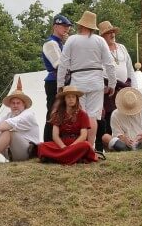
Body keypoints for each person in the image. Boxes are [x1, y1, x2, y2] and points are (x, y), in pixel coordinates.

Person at [56, 10, 115, 147]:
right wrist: (112, 83)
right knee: (93, 116)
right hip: (96, 81)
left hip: (78, 82)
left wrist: (60, 84)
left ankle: (80, 147)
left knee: (80, 114)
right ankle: (90, 146)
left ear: (81, 25)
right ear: (93, 26)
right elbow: (109, 64)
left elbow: (63, 64)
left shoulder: (71, 40)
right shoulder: (100, 40)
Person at [97, 19, 137, 150]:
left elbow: (130, 69)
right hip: (109, 90)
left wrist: (134, 89)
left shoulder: (122, 48)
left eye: (113, 31)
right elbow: (97, 71)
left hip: (125, 88)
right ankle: (112, 145)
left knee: (125, 114)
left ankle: (127, 141)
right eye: (108, 33)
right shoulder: (99, 50)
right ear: (102, 36)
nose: (112, 34)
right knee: (109, 117)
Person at [37, 86, 98, 165]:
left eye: (73, 97)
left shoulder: (83, 114)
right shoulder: (58, 114)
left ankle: (58, 157)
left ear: (76, 99)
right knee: (42, 146)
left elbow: (83, 135)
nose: (71, 99)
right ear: (64, 99)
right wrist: (63, 146)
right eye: (68, 97)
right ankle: (72, 157)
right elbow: (55, 136)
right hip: (62, 143)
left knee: (86, 145)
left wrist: (72, 146)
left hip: (77, 144)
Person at [41, 13, 72, 141]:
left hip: (64, 81)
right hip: (54, 81)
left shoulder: (61, 43)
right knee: (53, 113)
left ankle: (59, 141)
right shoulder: (51, 43)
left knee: (63, 113)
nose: (66, 29)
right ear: (55, 26)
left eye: (68, 26)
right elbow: (59, 64)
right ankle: (48, 143)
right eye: (63, 26)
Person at [102, 87, 142, 152]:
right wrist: (124, 139)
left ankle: (132, 150)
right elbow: (117, 133)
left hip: (141, 142)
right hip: (124, 144)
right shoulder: (115, 114)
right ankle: (125, 150)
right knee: (105, 137)